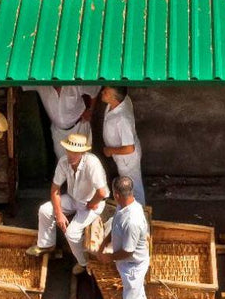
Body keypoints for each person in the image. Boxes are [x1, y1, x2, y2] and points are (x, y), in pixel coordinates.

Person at [28, 132, 109, 275]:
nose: (72, 155)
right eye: (70, 151)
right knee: (45, 210)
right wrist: (59, 213)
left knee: (71, 234)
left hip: (91, 203)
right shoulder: (63, 162)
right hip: (73, 198)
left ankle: (83, 263)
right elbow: (55, 189)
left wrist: (92, 203)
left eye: (76, 152)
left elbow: (102, 193)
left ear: (83, 152)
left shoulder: (92, 163)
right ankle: (47, 245)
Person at [96, 176, 152, 299]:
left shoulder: (134, 220)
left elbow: (127, 252)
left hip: (133, 266)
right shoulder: (124, 206)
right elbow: (116, 226)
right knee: (138, 294)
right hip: (129, 264)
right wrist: (105, 242)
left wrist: (107, 257)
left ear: (118, 194)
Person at [22, 85, 100, 161]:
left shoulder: (75, 82)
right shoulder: (42, 84)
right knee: (63, 162)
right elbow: (20, 83)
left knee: (82, 161)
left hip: (79, 127)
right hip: (58, 132)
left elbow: (95, 88)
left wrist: (90, 110)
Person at [101, 86, 145, 206]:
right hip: (122, 157)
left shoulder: (122, 119)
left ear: (114, 98)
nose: (102, 92)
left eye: (106, 92)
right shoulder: (122, 101)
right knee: (128, 184)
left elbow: (129, 148)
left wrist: (110, 150)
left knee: (133, 187)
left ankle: (141, 212)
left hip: (127, 159)